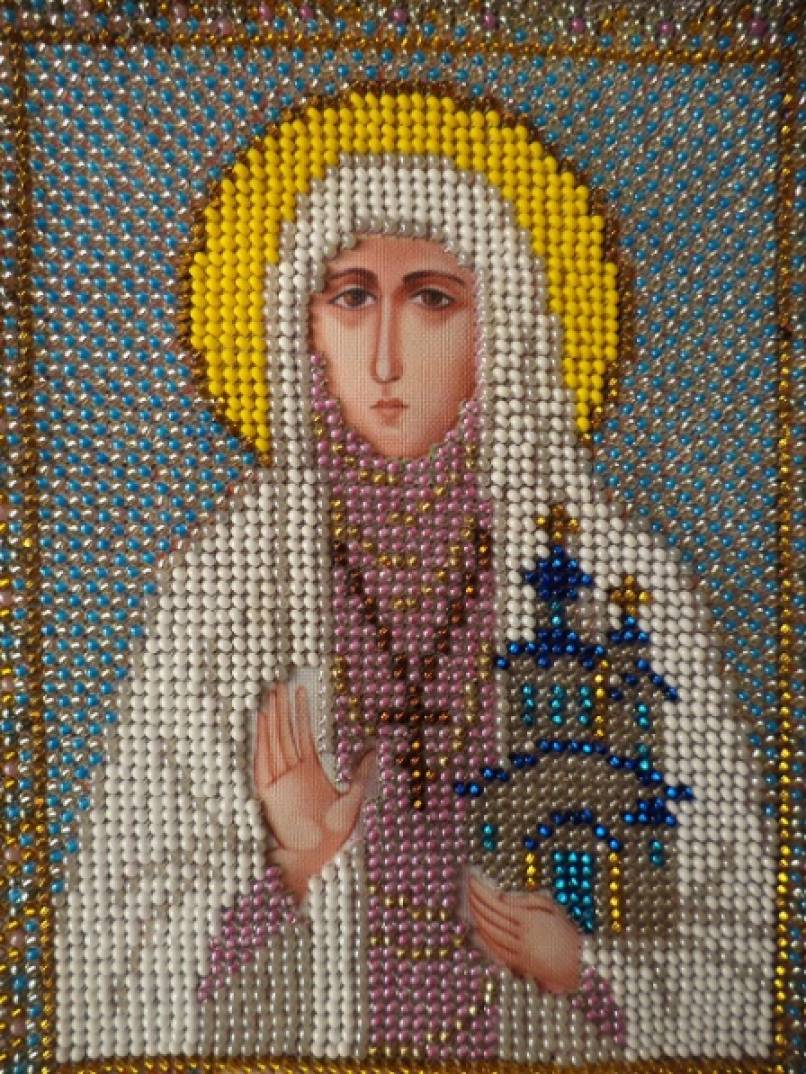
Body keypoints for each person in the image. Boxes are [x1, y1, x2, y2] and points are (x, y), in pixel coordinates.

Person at [54, 91, 775, 1065]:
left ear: (499, 327)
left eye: (432, 299)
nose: (385, 356)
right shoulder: (232, 593)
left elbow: (739, 933)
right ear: (305, 327)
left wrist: (587, 970)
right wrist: (293, 868)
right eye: (352, 298)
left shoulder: (612, 589)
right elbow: (115, 938)